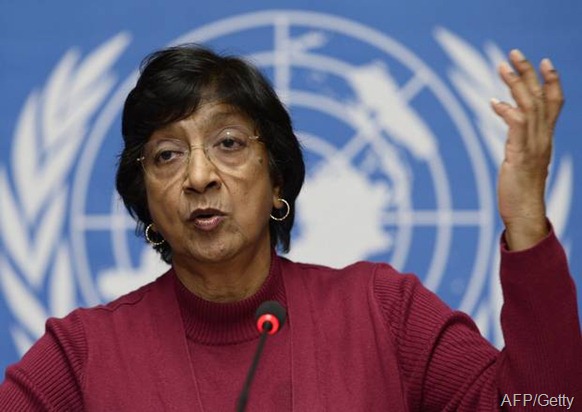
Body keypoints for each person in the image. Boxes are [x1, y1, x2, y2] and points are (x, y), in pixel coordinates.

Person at [0, 44, 580, 411]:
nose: (199, 176)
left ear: (277, 179)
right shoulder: (83, 355)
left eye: (228, 144)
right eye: (167, 155)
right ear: (146, 198)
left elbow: (548, 404)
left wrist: (526, 216)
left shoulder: (384, 311)